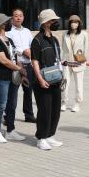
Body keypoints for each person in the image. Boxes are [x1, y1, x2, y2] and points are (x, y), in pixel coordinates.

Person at [0, 13, 26, 144]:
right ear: (1, 25)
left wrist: (21, 71)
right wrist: (19, 69)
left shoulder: (9, 40)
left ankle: (10, 130)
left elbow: (15, 56)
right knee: (1, 104)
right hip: (1, 77)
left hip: (13, 77)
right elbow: (3, 60)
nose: (9, 23)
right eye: (6, 22)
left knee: (12, 105)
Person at [31, 9, 65, 151]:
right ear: (45, 23)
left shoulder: (55, 39)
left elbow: (57, 58)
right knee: (44, 109)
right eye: (52, 20)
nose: (55, 22)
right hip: (43, 80)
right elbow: (34, 61)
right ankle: (41, 138)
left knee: (55, 109)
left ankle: (50, 135)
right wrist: (39, 79)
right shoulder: (37, 40)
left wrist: (63, 68)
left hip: (55, 79)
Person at [6, 9, 36, 123]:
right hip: (15, 65)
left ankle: (29, 115)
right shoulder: (8, 32)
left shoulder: (27, 31)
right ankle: (8, 117)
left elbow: (32, 45)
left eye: (20, 16)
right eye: (16, 16)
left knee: (28, 91)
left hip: (28, 65)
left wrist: (30, 53)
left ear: (23, 17)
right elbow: (9, 48)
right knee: (12, 92)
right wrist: (23, 51)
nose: (18, 18)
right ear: (12, 18)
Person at [61, 15, 89, 112]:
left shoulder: (84, 34)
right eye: (72, 22)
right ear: (69, 23)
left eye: (76, 22)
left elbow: (86, 49)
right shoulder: (65, 34)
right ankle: (63, 102)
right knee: (64, 83)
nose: (74, 24)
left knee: (79, 85)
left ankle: (77, 103)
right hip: (67, 63)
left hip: (78, 63)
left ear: (79, 23)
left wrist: (83, 61)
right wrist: (62, 60)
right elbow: (63, 48)